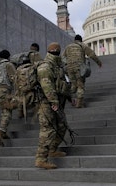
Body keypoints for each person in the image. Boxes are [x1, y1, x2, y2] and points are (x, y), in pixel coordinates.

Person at [35, 42, 69, 170]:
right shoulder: (45, 66)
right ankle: (40, 159)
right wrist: (54, 101)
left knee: (62, 125)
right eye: (57, 50)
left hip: (57, 102)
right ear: (54, 51)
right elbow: (46, 85)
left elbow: (63, 84)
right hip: (46, 103)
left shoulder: (57, 66)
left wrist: (70, 98)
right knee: (47, 130)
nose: (58, 52)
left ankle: (52, 150)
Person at [63, 34, 102, 108]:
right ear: (81, 40)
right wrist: (99, 63)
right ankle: (79, 103)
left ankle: (70, 98)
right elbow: (91, 54)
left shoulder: (68, 47)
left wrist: (67, 65)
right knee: (80, 85)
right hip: (79, 68)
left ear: (74, 40)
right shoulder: (82, 45)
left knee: (73, 85)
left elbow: (63, 57)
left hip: (69, 68)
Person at [0, 49, 18, 146]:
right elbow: (14, 78)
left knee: (3, 110)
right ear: (8, 57)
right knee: (7, 111)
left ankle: (5, 132)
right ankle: (0, 132)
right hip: (4, 89)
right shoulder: (8, 64)